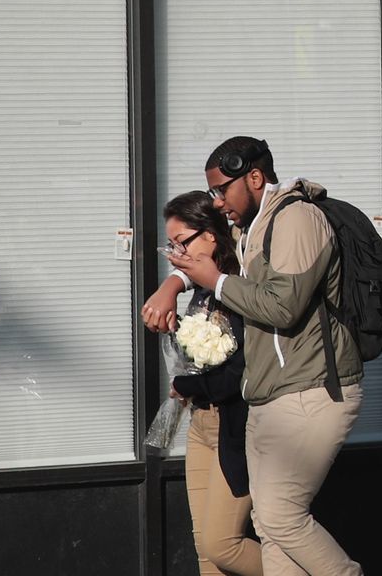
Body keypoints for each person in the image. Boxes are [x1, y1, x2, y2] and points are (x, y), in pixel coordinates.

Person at [145, 137, 365, 576]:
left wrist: (216, 281)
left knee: (282, 517)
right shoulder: (249, 227)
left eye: (221, 191)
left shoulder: (297, 218)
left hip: (311, 390)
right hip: (269, 398)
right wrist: (173, 284)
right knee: (268, 525)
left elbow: (283, 304)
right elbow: (208, 250)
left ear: (255, 177)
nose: (217, 202)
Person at [161, 191, 263, 576]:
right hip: (201, 426)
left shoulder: (238, 285)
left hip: (234, 428)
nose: (176, 254)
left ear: (211, 235)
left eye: (181, 242)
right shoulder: (200, 287)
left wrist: (186, 386)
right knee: (206, 550)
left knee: (222, 545)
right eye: (170, 246)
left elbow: (237, 377)